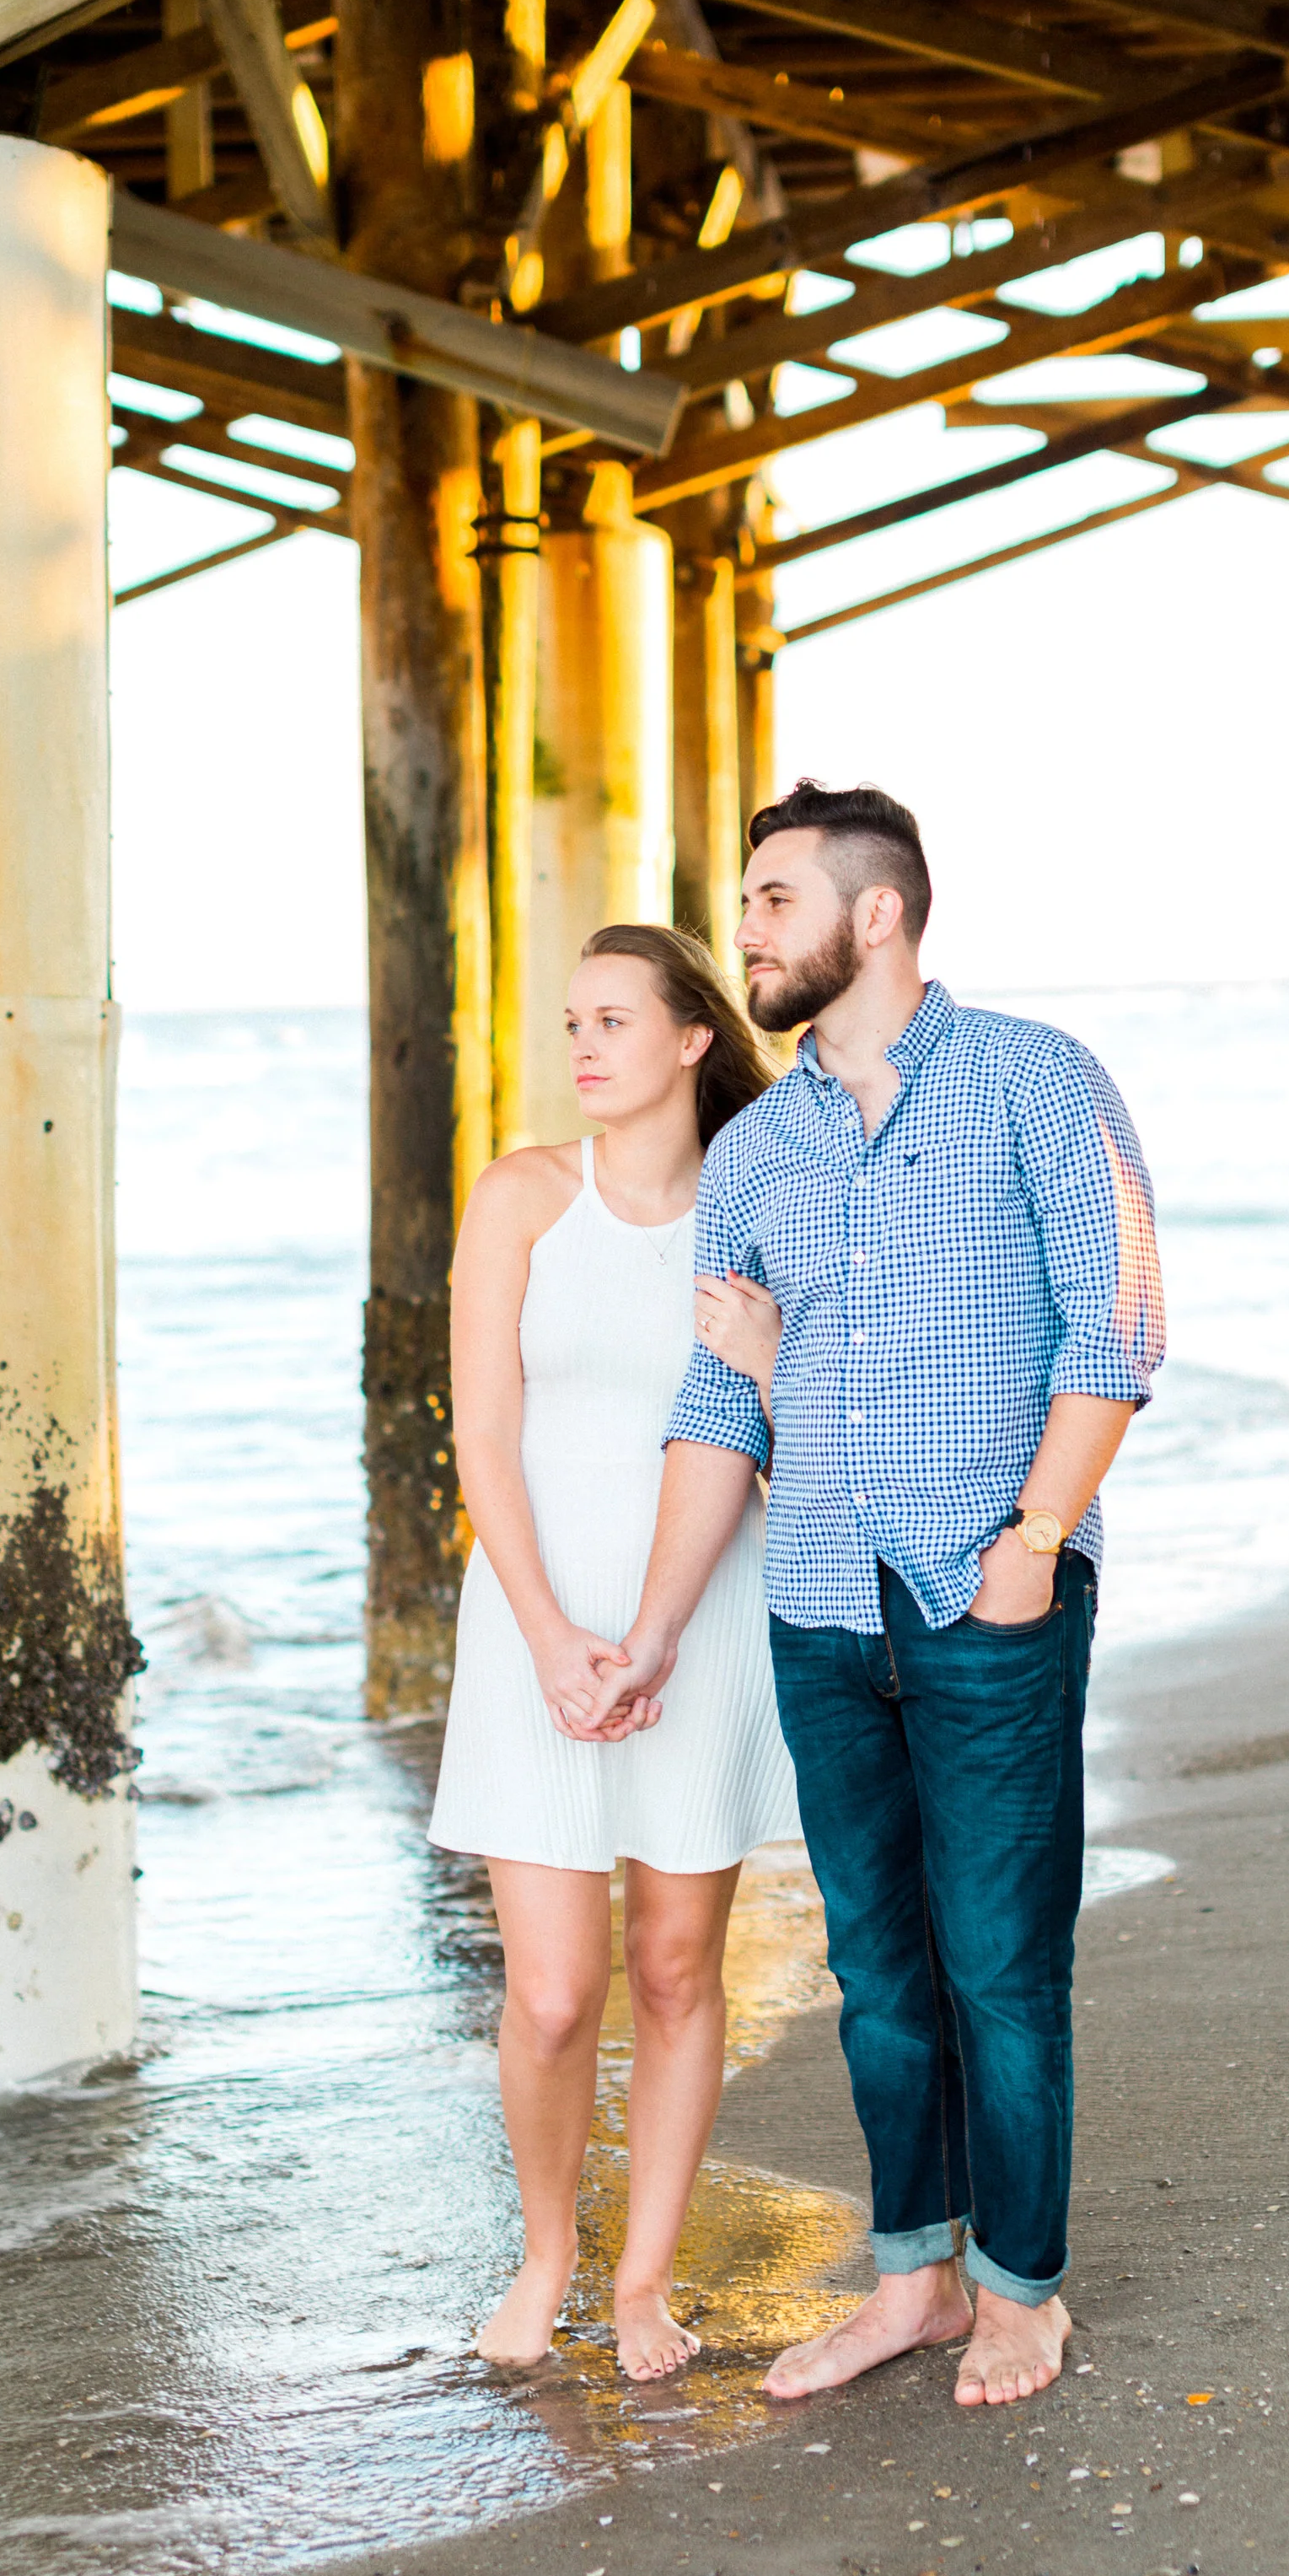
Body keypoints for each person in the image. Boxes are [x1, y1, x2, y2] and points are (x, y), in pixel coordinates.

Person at [583, 782, 1165, 2412]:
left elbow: (1113, 1331)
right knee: (880, 1969)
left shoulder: (1037, 1081)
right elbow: (722, 1404)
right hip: (822, 1598)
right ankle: (914, 2274)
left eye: (770, 903)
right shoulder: (758, 1147)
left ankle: (1020, 2293)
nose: (746, 933)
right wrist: (650, 1625)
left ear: (877, 913)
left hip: (989, 1591)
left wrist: (1033, 1544)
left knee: (998, 1959)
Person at [431, 923, 800, 2381]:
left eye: (614, 1020)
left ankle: (644, 2277)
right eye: (571, 1020)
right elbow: (482, 1439)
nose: (582, 1047)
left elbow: (795, 1434)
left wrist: (778, 1353)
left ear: (694, 1038)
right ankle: (545, 2252)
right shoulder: (521, 1197)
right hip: (535, 1621)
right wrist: (548, 1635)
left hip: (702, 1616)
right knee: (553, 1990)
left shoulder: (756, 1208)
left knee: (672, 1966)